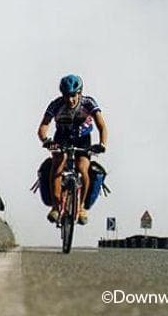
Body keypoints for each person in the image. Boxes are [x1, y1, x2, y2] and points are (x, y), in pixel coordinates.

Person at [37, 74, 108, 225]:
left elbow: (102, 126)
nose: (70, 100)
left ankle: (81, 208)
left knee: (83, 168)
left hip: (83, 139)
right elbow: (43, 127)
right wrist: (46, 141)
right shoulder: (56, 105)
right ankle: (55, 208)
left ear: (80, 93)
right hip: (62, 138)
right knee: (58, 163)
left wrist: (102, 144)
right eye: (66, 96)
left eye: (73, 95)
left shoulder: (88, 103)